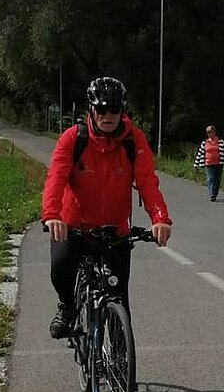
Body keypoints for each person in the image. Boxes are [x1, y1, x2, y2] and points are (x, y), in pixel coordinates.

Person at [41, 76, 172, 339]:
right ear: (91, 109)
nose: (108, 115)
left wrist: (160, 218)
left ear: (122, 111)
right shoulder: (73, 139)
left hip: (115, 230)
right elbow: (56, 177)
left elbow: (147, 181)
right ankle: (67, 306)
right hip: (73, 226)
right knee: (61, 266)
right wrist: (52, 215)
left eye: (114, 110)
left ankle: (121, 363)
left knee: (119, 297)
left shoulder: (132, 141)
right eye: (101, 109)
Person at [194, 124, 224, 202]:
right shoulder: (205, 143)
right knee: (210, 179)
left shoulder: (220, 142)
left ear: (215, 132)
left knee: (217, 180)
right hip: (208, 163)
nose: (210, 134)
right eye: (208, 132)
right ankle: (212, 195)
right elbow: (200, 153)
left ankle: (215, 193)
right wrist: (196, 164)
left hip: (219, 163)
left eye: (211, 132)